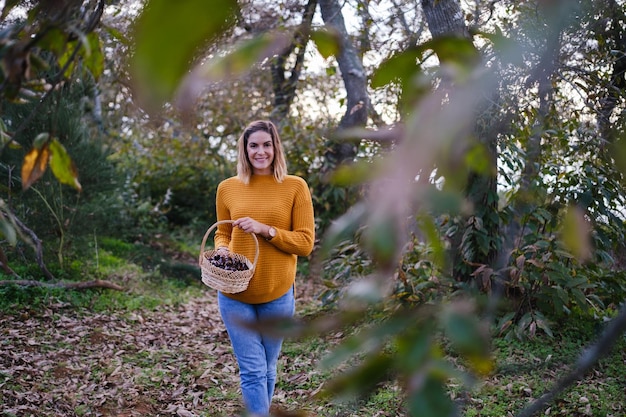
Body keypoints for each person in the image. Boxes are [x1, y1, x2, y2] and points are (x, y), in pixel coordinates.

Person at [213, 120, 315, 416]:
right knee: (253, 370)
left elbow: (305, 243)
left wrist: (266, 230)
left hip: (277, 294)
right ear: (244, 150)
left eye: (266, 145)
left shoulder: (295, 187)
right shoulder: (227, 188)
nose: (260, 151)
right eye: (253, 145)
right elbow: (223, 232)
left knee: (268, 367)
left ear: (275, 148)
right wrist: (221, 248)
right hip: (234, 293)